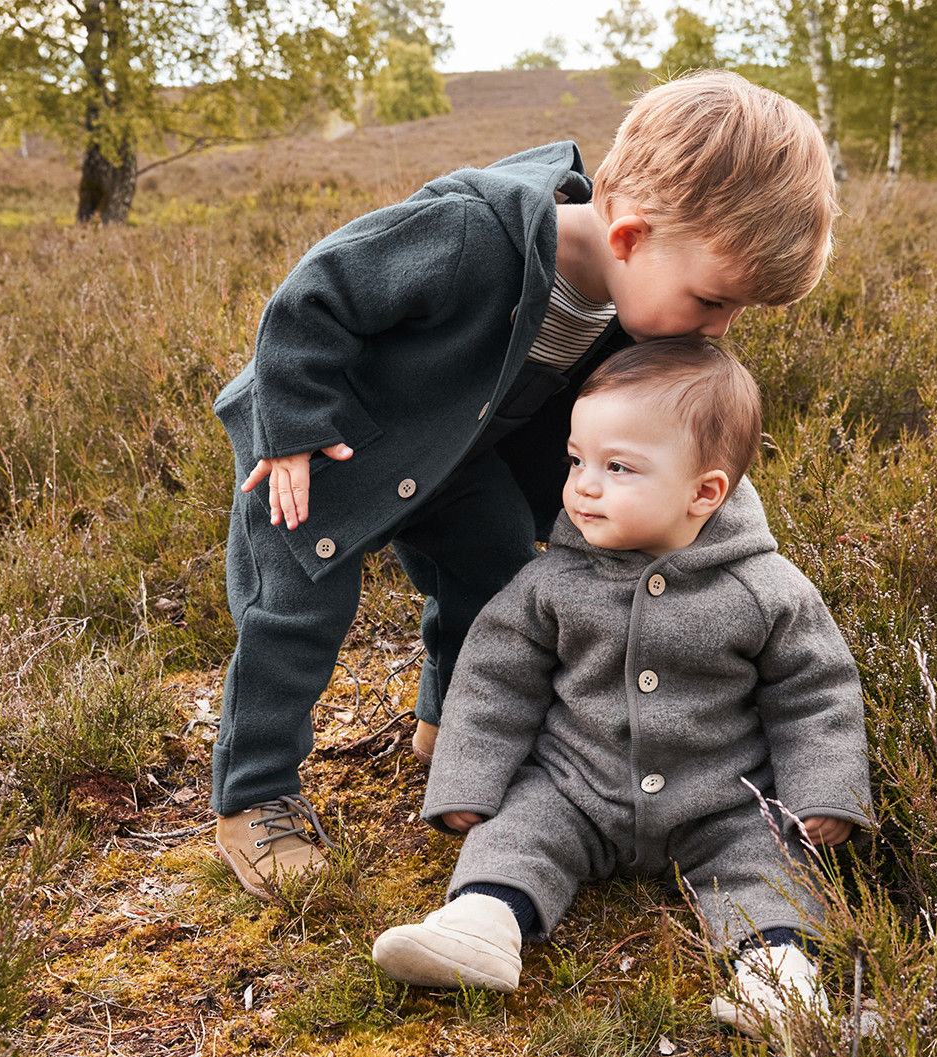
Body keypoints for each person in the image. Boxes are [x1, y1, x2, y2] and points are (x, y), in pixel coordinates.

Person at [210, 70, 840, 901]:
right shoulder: (474, 233)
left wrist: (708, 518)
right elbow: (316, 293)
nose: (720, 329)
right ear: (629, 237)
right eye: (715, 301)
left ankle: (455, 731)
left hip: (458, 453)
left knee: (499, 573)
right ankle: (254, 798)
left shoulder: (636, 305)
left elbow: (636, 438)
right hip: (321, 451)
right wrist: (290, 431)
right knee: (294, 615)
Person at [372, 339, 871, 1038]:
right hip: (578, 784)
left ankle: (778, 978)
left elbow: (816, 694)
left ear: (705, 492)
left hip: (724, 799)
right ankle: (480, 925)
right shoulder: (552, 583)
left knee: (769, 864)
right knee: (518, 829)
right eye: (576, 460)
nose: (584, 485)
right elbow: (493, 683)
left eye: (618, 468)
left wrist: (825, 794)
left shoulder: (767, 590)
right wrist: (468, 782)